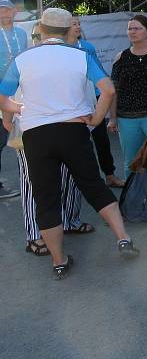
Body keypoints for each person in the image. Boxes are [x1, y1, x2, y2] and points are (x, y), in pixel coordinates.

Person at [0, 8, 139, 279]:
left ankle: (59, 260)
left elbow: (3, 98)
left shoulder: (22, 58)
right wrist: (96, 118)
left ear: (40, 28)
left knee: (46, 197)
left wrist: (19, 111)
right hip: (74, 130)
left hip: (36, 134)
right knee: (93, 185)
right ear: (67, 31)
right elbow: (108, 89)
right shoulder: (80, 56)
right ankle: (123, 237)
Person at [7, 22, 93, 257]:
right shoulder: (24, 60)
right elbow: (7, 95)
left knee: (69, 178)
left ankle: (70, 221)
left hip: (68, 130)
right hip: (31, 133)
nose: (39, 38)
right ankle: (35, 235)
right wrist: (10, 123)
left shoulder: (77, 56)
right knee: (33, 184)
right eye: (36, 35)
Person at [66, 16, 124, 187]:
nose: (77, 26)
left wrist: (103, 94)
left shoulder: (87, 47)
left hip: (93, 96)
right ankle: (76, 179)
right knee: (74, 141)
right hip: (72, 99)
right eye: (73, 24)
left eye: (78, 23)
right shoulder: (59, 48)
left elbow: (99, 71)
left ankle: (110, 174)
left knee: (101, 138)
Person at [108, 15, 147, 177]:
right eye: (130, 28)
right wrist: (112, 118)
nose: (132, 32)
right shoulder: (121, 57)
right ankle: (132, 201)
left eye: (137, 28)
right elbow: (114, 90)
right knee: (131, 163)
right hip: (126, 118)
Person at [0, 0, 26, 199]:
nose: (5, 14)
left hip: (21, 89)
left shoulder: (22, 33)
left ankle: (29, 178)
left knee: (23, 135)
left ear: (14, 13)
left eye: (8, 10)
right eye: (1, 11)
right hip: (1, 90)